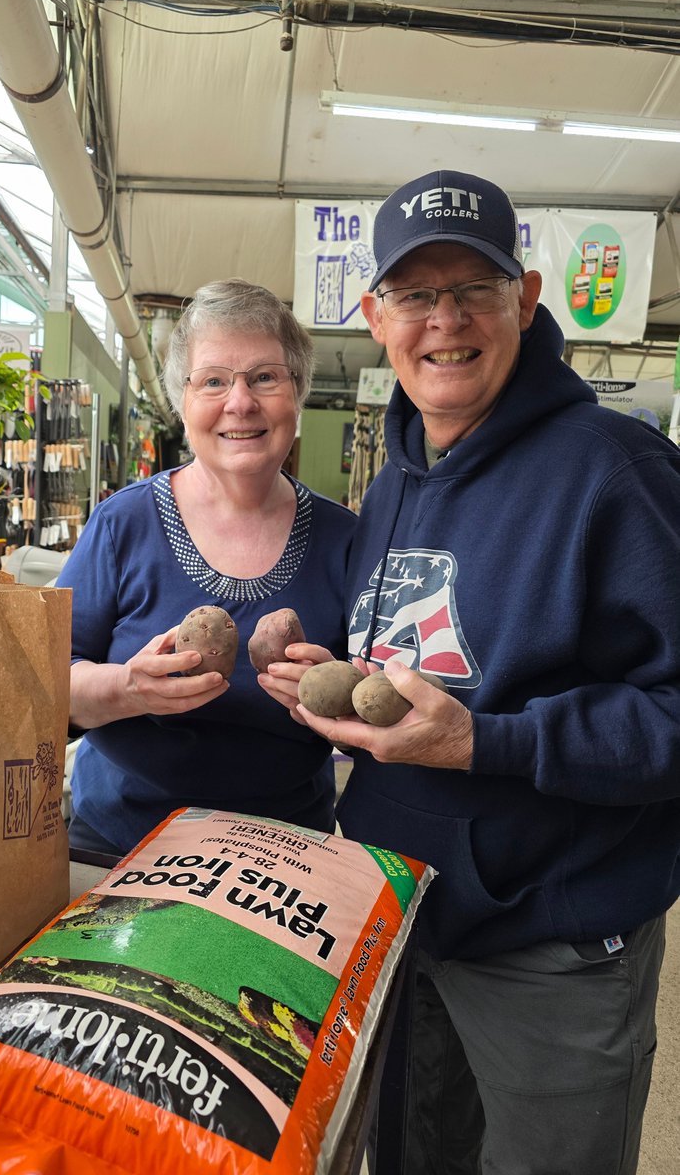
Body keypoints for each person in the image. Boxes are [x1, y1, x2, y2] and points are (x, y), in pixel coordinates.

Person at [269, 170, 680, 1175]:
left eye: (475, 290)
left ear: (526, 301)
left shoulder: (616, 471)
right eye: (415, 294)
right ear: (376, 317)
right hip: (406, 921)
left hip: (551, 949)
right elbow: (433, 660)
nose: (444, 321)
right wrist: (345, 673)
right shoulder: (393, 484)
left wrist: (486, 742)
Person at [55, 278, 356, 858]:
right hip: (120, 847)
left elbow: (381, 706)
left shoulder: (346, 540)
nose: (239, 402)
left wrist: (335, 696)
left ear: (297, 393)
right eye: (213, 381)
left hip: (287, 858)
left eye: (264, 377)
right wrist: (127, 688)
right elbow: (45, 687)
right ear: (182, 401)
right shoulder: (124, 524)